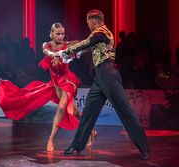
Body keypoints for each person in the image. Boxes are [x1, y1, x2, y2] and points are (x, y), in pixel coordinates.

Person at [59, 9, 150, 160]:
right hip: (99, 78)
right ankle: (77, 144)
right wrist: (67, 45)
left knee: (125, 112)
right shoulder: (97, 36)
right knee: (88, 112)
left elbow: (86, 42)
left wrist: (66, 52)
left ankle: (144, 148)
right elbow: (86, 45)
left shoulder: (101, 32)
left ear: (93, 20)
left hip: (108, 75)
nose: (87, 25)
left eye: (88, 22)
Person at [0, 22, 96, 152]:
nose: (61, 36)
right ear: (51, 34)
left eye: (62, 34)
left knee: (61, 108)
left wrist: (92, 39)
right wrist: (54, 55)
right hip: (55, 84)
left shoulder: (67, 45)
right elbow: (47, 51)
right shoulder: (46, 45)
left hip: (68, 81)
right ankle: (92, 131)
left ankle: (51, 139)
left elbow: (83, 42)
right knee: (75, 112)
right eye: (58, 34)